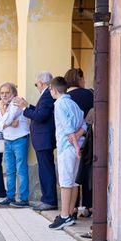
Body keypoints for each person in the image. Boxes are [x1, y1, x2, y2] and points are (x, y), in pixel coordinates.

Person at [13, 71, 57, 211]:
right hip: (42, 138)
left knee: (46, 170)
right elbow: (39, 112)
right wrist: (28, 106)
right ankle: (46, 199)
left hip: (44, 138)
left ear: (42, 83)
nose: (36, 86)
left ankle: (50, 200)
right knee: (44, 170)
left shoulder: (47, 95)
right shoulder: (45, 96)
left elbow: (41, 117)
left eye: (36, 83)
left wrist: (24, 108)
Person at [48, 76, 87, 230]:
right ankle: (70, 214)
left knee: (65, 182)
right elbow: (84, 124)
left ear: (54, 90)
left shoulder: (59, 104)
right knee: (74, 181)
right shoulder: (73, 103)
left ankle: (64, 215)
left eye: (50, 89)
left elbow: (67, 127)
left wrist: (75, 144)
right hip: (77, 146)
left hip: (67, 147)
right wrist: (78, 137)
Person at [0, 82, 30, 208]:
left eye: (7, 92)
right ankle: (10, 197)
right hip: (7, 140)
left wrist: (3, 111)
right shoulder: (4, 105)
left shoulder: (16, 102)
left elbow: (7, 120)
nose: (4, 95)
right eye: (2, 93)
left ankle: (24, 199)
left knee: (21, 170)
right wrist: (8, 121)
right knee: (9, 171)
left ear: (13, 93)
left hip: (20, 140)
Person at [65, 68, 93, 218]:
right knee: (87, 173)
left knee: (71, 176)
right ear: (79, 79)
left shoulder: (65, 97)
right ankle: (88, 206)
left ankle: (73, 209)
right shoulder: (89, 94)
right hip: (88, 137)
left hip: (69, 140)